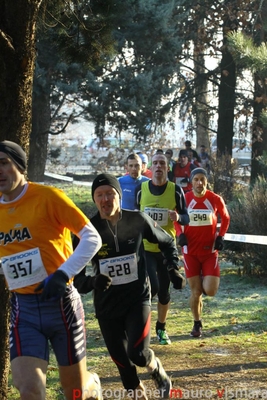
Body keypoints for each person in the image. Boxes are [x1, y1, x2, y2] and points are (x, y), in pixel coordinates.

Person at [0, 140, 103, 400]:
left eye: (4, 163)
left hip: (62, 306)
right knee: (30, 391)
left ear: (20, 166)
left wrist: (62, 274)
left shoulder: (49, 197)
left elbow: (92, 238)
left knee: (76, 392)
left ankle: (94, 383)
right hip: (24, 310)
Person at [74, 173, 186, 400]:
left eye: (110, 193)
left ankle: (155, 367)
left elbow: (166, 241)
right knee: (123, 365)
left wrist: (173, 267)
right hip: (107, 306)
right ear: (95, 199)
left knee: (138, 355)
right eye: (99, 195)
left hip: (137, 299)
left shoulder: (137, 220)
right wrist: (92, 282)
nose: (105, 199)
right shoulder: (87, 231)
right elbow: (76, 278)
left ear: (118, 195)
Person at [136, 153, 189, 345]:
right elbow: (136, 216)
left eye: (162, 163)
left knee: (165, 293)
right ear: (151, 167)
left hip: (166, 248)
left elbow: (186, 217)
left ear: (168, 168)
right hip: (146, 248)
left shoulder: (176, 191)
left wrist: (178, 217)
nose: (159, 166)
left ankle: (161, 328)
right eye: (155, 163)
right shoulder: (141, 189)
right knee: (152, 288)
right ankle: (141, 330)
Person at [176, 168, 230, 338]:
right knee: (195, 292)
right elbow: (176, 218)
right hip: (190, 252)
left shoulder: (214, 199)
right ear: (191, 182)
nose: (199, 183)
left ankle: (204, 281)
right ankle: (197, 323)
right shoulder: (184, 199)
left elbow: (226, 217)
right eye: (196, 179)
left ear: (207, 181)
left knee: (211, 290)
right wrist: (180, 234)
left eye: (202, 180)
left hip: (209, 252)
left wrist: (221, 236)